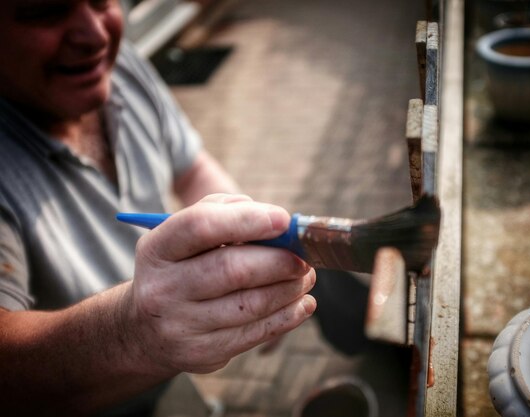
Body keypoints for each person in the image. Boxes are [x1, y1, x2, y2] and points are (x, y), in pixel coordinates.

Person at [0, 1, 319, 415]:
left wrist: (248, 236)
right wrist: (134, 333)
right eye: (46, 9)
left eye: (101, 0)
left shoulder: (120, 65)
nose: (95, 35)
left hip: (167, 377)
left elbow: (190, 167)